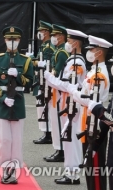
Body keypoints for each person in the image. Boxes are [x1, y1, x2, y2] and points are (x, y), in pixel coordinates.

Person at [40, 29, 88, 184]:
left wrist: (48, 76)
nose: (67, 43)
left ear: (74, 43)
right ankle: (71, 172)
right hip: (69, 104)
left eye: (69, 40)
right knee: (69, 139)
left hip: (73, 105)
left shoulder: (76, 63)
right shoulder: (73, 60)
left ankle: (72, 174)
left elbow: (67, 86)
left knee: (71, 140)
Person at [0, 26, 33, 184]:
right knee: (4, 139)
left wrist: (19, 75)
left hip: (18, 103)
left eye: (15, 39)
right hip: (3, 104)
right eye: (9, 39)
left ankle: (12, 171)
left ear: (19, 40)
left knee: (17, 140)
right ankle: (4, 168)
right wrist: (2, 98)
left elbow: (31, 81)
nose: (12, 42)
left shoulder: (25, 60)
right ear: (5, 40)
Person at [67, 35, 111, 190]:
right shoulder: (95, 71)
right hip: (88, 121)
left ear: (99, 52)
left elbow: (92, 101)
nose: (89, 53)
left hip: (95, 124)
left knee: (95, 168)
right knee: (90, 167)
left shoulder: (98, 75)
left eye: (91, 50)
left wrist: (74, 92)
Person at [43, 24, 69, 162]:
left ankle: (61, 150)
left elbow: (57, 73)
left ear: (61, 36)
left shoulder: (62, 52)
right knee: (55, 121)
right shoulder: (59, 50)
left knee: (58, 121)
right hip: (56, 88)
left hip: (58, 90)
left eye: (55, 35)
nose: (53, 37)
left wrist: (49, 77)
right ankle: (58, 149)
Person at [32, 20, 55, 144]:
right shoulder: (44, 45)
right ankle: (46, 132)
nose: (39, 33)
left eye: (41, 31)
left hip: (44, 81)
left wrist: (33, 61)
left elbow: (47, 65)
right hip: (40, 79)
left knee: (44, 107)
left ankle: (48, 133)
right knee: (41, 107)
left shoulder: (48, 47)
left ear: (46, 32)